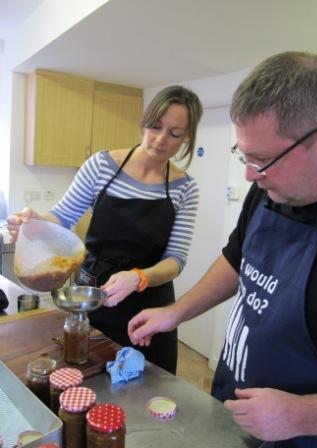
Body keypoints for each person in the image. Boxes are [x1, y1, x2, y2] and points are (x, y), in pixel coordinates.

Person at [127, 51, 317, 447]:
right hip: (233, 413)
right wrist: (175, 312)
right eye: (244, 156)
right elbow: (236, 260)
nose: (249, 175)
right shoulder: (268, 190)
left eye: (262, 160)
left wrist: (301, 414)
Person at [7, 85, 203, 375]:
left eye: (174, 134)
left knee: (148, 389)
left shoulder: (185, 188)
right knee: (90, 379)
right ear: (143, 121)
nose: (160, 140)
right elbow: (63, 216)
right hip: (95, 297)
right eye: (155, 126)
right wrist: (34, 221)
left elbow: (176, 260)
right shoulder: (101, 165)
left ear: (186, 137)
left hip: (149, 306)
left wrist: (138, 277)